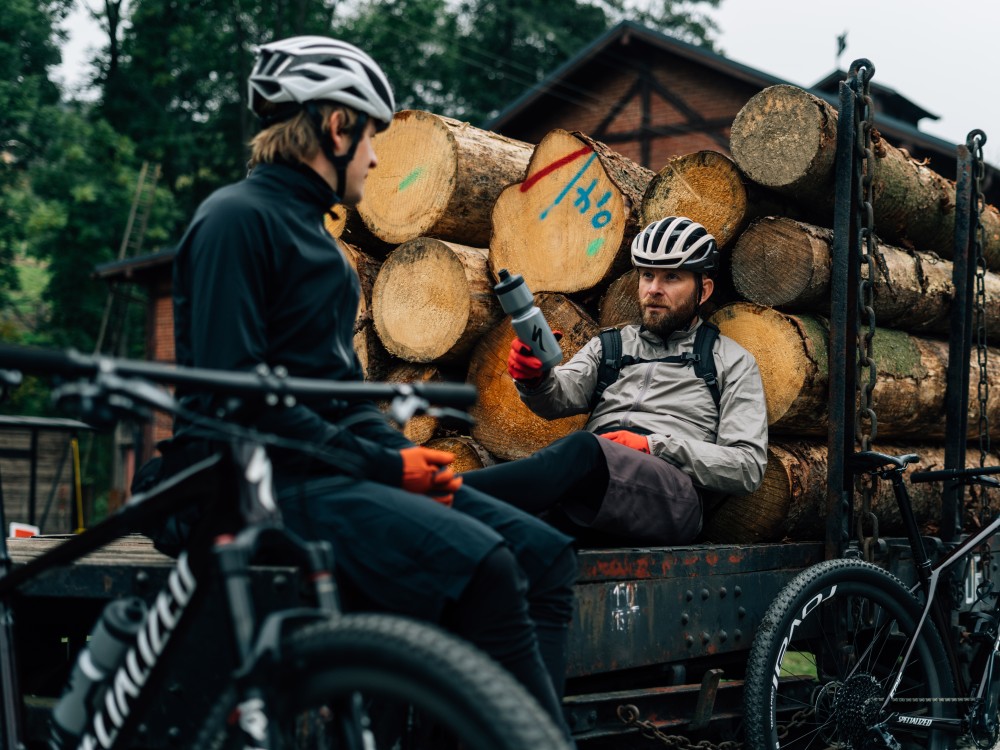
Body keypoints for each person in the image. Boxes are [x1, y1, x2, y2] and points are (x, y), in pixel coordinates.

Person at [163, 36, 577, 740]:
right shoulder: (237, 221)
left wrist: (400, 459)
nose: (377, 158)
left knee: (545, 557)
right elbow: (238, 401)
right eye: (373, 139)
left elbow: (335, 395)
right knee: (484, 568)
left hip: (327, 473)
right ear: (336, 127)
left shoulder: (316, 245)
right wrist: (386, 466)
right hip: (255, 483)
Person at [462, 216, 768, 546]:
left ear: (703, 290)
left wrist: (654, 445)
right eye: (648, 275)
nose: (654, 289)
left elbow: (747, 467)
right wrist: (534, 378)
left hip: (671, 498)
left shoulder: (731, 361)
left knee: (583, 448)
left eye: (672, 277)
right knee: (502, 537)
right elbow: (556, 398)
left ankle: (438, 494)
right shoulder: (612, 345)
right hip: (594, 488)